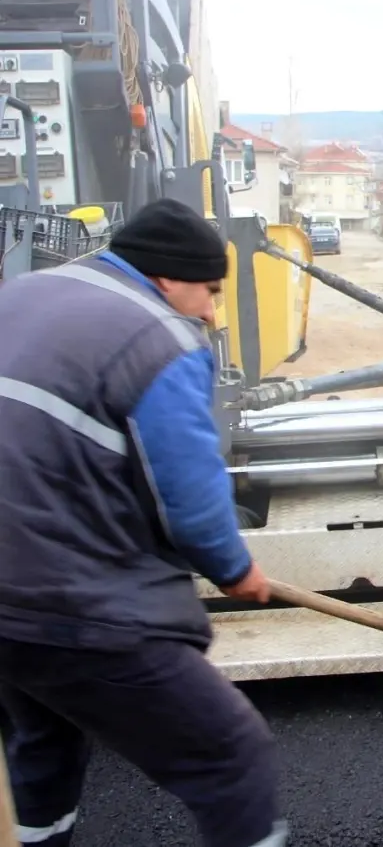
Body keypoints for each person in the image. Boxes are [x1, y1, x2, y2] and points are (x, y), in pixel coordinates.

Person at [0, 199, 287, 847]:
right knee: (231, 755)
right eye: (210, 291)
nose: (213, 311)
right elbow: (187, 491)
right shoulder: (159, 337)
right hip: (69, 599)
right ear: (166, 278)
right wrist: (235, 568)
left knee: (43, 740)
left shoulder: (21, 295)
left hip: (9, 598)